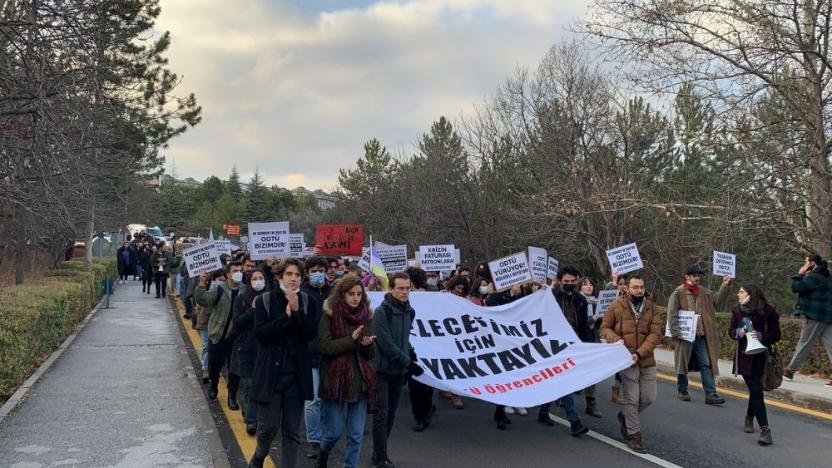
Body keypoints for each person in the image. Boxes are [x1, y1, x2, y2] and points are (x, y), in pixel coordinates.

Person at [249, 258, 317, 468]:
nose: (293, 279)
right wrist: (285, 317)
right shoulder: (265, 301)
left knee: (292, 433)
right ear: (279, 276)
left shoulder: (308, 301)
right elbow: (261, 334)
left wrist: (297, 313)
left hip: (296, 376)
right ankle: (260, 455)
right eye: (289, 274)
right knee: (268, 428)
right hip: (271, 375)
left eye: (297, 275)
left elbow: (310, 334)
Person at [317, 275, 377, 468]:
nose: (356, 298)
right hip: (334, 381)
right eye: (351, 294)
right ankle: (323, 452)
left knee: (356, 435)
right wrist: (351, 340)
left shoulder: (366, 316)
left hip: (359, 381)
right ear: (342, 294)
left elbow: (370, 355)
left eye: (359, 294)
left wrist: (367, 345)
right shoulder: (329, 315)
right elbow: (325, 347)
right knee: (334, 431)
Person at [601, 275, 663, 453]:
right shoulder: (617, 306)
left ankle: (626, 418)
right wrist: (615, 339)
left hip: (646, 359)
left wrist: (639, 353)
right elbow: (604, 327)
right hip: (626, 359)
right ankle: (634, 435)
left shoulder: (653, 308)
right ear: (627, 288)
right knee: (632, 399)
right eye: (635, 287)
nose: (639, 290)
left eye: (642, 287)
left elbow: (655, 334)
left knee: (649, 397)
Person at [372, 272, 419, 468]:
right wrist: (407, 362)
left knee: (391, 415)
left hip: (398, 372)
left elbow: (404, 339)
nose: (404, 292)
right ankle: (381, 457)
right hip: (382, 371)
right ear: (391, 289)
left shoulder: (410, 311)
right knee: (381, 415)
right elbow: (386, 343)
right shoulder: (382, 312)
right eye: (400, 288)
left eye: (407, 288)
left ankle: (378, 453)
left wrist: (411, 353)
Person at [538, 266, 590, 436]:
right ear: (559, 281)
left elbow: (582, 324)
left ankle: (543, 412)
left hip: (572, 344)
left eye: (572, 281)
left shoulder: (581, 300)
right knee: (563, 380)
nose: (569, 284)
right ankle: (574, 422)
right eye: (566, 282)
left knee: (556, 379)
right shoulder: (550, 297)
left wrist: (589, 345)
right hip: (552, 345)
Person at [668, 265, 731, 404]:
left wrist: (725, 285)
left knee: (706, 364)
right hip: (685, 335)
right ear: (687, 277)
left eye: (699, 275)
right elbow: (672, 314)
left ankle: (711, 394)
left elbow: (717, 300)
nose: (698, 278)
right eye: (694, 275)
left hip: (701, 335)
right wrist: (676, 332)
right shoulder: (678, 292)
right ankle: (682, 390)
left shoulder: (703, 291)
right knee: (682, 363)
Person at [729, 284, 781, 446]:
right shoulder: (737, 310)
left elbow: (776, 334)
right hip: (745, 357)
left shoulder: (768, 311)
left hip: (762, 357)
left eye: (742, 291)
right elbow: (731, 331)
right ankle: (765, 430)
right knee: (757, 390)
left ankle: (750, 416)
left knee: (756, 390)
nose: (738, 294)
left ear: (751, 295)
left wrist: (760, 335)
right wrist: (739, 332)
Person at [196, 261, 245, 408]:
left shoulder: (245, 290)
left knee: (235, 368)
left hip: (237, 337)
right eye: (235, 270)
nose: (239, 273)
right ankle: (214, 386)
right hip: (218, 334)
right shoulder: (219, 290)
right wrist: (201, 282)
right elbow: (204, 300)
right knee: (214, 365)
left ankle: (232, 395)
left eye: (240, 270)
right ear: (228, 274)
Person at [299, 257, 333, 459]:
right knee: (313, 400)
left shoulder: (334, 293)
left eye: (321, 270)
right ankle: (314, 439)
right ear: (307, 273)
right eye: (313, 270)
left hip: (331, 353)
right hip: (310, 354)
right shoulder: (301, 294)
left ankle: (327, 435)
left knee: (329, 398)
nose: (317, 273)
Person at [783, 255, 832, 385]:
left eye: (806, 262)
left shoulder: (814, 278)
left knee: (804, 343)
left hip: (815, 316)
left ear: (812, 263)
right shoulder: (828, 277)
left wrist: (799, 273)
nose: (804, 264)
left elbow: (796, 287)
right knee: (831, 345)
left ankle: (789, 370)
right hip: (828, 317)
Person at [230, 269, 267, 436]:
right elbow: (237, 322)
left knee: (262, 384)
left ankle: (259, 417)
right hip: (246, 348)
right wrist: (252, 310)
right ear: (249, 281)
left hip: (265, 347)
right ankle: (252, 420)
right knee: (249, 384)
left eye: (261, 278)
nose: (258, 281)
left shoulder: (271, 298)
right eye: (255, 278)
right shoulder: (241, 299)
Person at [405, 267, 435, 432]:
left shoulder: (432, 294)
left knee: (429, 380)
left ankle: (427, 409)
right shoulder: (403, 296)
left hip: (430, 344)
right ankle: (419, 416)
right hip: (412, 345)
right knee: (414, 382)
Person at [440, 275, 469, 410]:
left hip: (460, 338)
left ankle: (456, 394)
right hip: (445, 336)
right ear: (452, 286)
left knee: (458, 365)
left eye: (463, 289)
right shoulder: (443, 296)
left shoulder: (466, 301)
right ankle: (445, 388)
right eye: (458, 287)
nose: (460, 291)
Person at [579, 277, 603, 418]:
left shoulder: (596, 302)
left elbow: (597, 327)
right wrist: (593, 318)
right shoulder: (577, 301)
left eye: (591, 284)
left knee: (592, 373)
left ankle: (590, 403)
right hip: (580, 342)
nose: (589, 287)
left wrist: (600, 319)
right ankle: (562, 397)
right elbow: (580, 323)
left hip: (593, 341)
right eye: (585, 284)